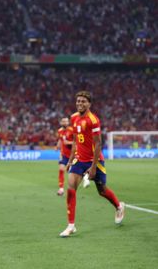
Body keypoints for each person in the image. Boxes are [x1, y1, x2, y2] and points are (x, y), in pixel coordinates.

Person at [59, 91, 124, 237]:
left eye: (83, 101)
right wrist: (70, 160)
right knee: (71, 188)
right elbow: (75, 140)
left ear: (89, 104)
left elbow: (98, 144)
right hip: (79, 159)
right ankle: (71, 226)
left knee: (102, 190)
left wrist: (93, 167)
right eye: (78, 101)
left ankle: (119, 207)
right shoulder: (74, 118)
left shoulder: (93, 120)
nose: (80, 103)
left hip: (95, 160)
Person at [56, 117, 73, 196]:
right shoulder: (60, 131)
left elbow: (77, 142)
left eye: (66, 121)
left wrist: (69, 143)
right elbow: (60, 140)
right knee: (61, 169)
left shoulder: (72, 130)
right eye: (63, 121)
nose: (65, 123)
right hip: (64, 154)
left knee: (71, 173)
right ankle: (61, 188)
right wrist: (57, 146)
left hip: (73, 155)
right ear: (61, 122)